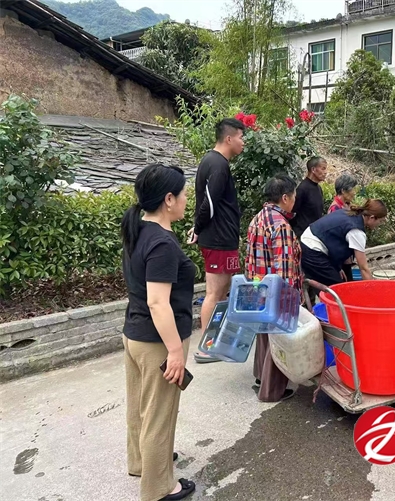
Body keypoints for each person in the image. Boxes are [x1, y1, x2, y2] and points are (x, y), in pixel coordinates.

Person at [121, 164, 196, 501]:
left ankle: (142, 463)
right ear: (168, 199)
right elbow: (157, 302)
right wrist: (175, 351)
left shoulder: (139, 229)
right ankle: (158, 488)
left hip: (135, 335)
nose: (186, 200)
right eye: (183, 195)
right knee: (159, 416)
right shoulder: (162, 243)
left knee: (140, 406)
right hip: (157, 342)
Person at [188, 118, 245, 363]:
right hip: (218, 239)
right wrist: (198, 228)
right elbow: (208, 204)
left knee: (221, 293)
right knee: (214, 293)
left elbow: (206, 202)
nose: (243, 142)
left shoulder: (212, 161)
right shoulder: (218, 165)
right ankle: (206, 347)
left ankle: (216, 342)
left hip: (222, 238)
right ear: (229, 138)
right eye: (241, 137)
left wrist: (198, 227)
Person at [245, 174, 303, 402]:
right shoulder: (281, 226)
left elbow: (250, 258)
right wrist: (291, 298)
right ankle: (271, 390)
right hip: (275, 291)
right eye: (294, 196)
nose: (295, 201)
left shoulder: (257, 218)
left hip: (257, 286)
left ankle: (261, 377)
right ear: (285, 198)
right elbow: (284, 269)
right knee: (277, 339)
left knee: (264, 335)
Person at [300, 199, 387, 285]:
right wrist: (372, 288)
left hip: (310, 241)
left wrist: (337, 268)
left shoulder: (350, 213)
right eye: (380, 221)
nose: (379, 225)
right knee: (337, 288)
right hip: (312, 249)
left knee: (338, 281)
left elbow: (333, 239)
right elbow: (363, 268)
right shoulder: (356, 231)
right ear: (372, 217)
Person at [329, 173, 359, 281]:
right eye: (352, 189)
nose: (354, 192)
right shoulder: (335, 209)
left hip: (346, 258)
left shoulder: (346, 206)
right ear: (343, 190)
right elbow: (333, 239)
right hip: (340, 260)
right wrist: (338, 266)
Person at [290, 156, 327, 238]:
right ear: (313, 169)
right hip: (302, 236)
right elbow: (292, 212)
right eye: (323, 169)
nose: (325, 172)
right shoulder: (302, 189)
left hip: (314, 235)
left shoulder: (319, 188)